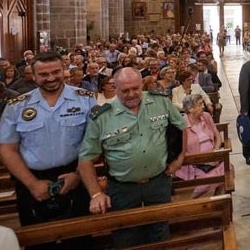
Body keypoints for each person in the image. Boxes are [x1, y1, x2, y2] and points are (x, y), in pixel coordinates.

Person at [78, 67, 187, 248]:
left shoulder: (160, 103)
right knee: (126, 236)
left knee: (160, 232)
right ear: (115, 88)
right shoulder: (103, 116)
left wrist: (180, 158)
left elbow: (181, 126)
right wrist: (96, 193)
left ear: (141, 85)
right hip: (123, 188)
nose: (131, 94)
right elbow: (86, 157)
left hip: (158, 182)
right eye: (125, 90)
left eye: (135, 89)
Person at [0, 51, 94, 244]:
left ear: (64, 70)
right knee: (38, 242)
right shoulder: (17, 106)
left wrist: (78, 175)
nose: (50, 78)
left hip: (75, 174)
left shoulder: (85, 99)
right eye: (43, 74)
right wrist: (32, 184)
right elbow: (7, 150)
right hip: (31, 180)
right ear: (33, 74)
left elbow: (93, 143)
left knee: (80, 241)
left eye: (56, 72)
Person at [175, 94, 229, 197]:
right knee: (218, 176)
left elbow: (217, 136)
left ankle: (216, 199)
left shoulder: (206, 116)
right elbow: (181, 150)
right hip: (194, 164)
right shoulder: (181, 124)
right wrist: (202, 161)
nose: (203, 106)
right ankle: (202, 198)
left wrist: (215, 151)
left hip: (213, 158)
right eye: (200, 104)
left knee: (227, 168)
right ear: (190, 109)